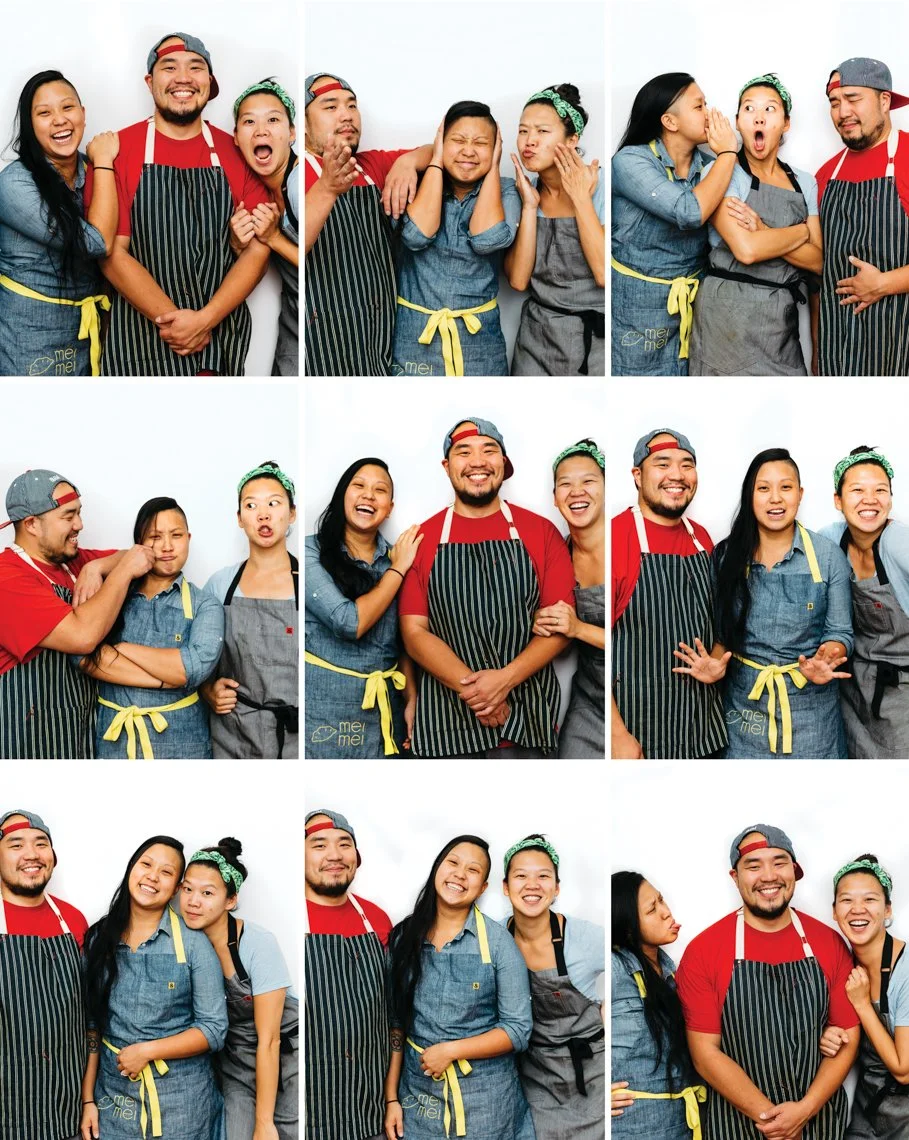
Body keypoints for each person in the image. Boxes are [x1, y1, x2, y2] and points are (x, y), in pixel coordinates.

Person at [399, 417, 576, 759]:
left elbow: (560, 628)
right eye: (464, 452)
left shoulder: (540, 532)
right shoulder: (421, 539)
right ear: (447, 466)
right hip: (445, 726)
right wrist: (481, 694)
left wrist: (505, 680)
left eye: (489, 450)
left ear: (504, 464)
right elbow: (414, 633)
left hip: (527, 721)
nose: (478, 462)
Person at [99, 33, 272, 376]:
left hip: (218, 345)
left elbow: (258, 251)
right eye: (169, 67)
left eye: (195, 67)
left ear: (209, 82)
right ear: (150, 82)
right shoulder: (118, 150)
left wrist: (205, 320)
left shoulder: (237, 152)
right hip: (140, 346)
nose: (183, 77)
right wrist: (179, 327)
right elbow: (112, 254)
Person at [676, 825, 859, 1140]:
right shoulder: (704, 951)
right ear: (735, 877)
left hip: (819, 1124)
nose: (769, 876)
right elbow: (705, 1054)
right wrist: (776, 1124)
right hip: (739, 1127)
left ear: (794, 871)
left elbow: (848, 1038)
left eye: (779, 862)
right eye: (753, 866)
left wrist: (804, 1111)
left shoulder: (829, 943)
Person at [678, 447, 853, 758]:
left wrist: (827, 656)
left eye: (785, 487)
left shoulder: (827, 557)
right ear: (750, 495)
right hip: (744, 712)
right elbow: (723, 633)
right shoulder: (726, 556)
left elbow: (840, 633)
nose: (775, 498)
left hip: (812, 714)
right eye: (763, 488)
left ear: (799, 494)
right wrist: (716, 663)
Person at [384, 834, 534, 1140]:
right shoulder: (404, 937)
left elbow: (518, 1029)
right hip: (418, 1098)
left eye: (473, 870)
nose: (460, 874)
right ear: (437, 867)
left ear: (483, 887)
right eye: (452, 862)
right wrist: (391, 1098)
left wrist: (451, 1051)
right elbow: (396, 1023)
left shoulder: (498, 943)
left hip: (487, 1104)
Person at [0, 469, 155, 759]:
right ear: (32, 524)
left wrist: (96, 567)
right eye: (68, 516)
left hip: (78, 737)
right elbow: (82, 637)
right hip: (26, 747)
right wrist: (120, 572)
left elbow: (140, 554)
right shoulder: (6, 578)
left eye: (79, 513)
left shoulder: (72, 562)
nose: (80, 525)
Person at [80, 835, 228, 1140]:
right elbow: (92, 1024)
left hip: (184, 1107)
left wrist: (147, 1051)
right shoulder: (99, 939)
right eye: (146, 864)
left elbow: (214, 1028)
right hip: (114, 1102)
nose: (152, 876)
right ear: (131, 869)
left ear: (175, 889)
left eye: (166, 872)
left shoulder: (193, 944)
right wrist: (88, 1100)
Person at [689, 73, 822, 376]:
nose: (758, 118)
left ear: (786, 123)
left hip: (780, 324)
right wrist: (802, 232)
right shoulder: (723, 171)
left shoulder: (804, 182)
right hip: (725, 322)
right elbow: (746, 249)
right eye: (749, 109)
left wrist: (763, 230)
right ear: (737, 122)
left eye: (770, 109)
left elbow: (818, 261)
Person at [75, 496, 225, 759]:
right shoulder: (113, 592)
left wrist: (119, 649)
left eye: (176, 535)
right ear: (139, 546)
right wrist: (166, 680)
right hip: (114, 745)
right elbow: (81, 653)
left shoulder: (205, 604)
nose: (167, 546)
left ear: (188, 538)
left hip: (183, 746)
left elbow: (193, 668)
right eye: (155, 537)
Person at [304, 73, 432, 376]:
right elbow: (296, 247)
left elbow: (439, 150)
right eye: (330, 107)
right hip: (320, 344)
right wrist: (327, 188)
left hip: (378, 340)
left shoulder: (372, 166)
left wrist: (408, 161)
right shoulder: (295, 173)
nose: (346, 115)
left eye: (351, 105)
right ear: (303, 129)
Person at [611, 429, 726, 759]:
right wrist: (617, 735)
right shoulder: (616, 538)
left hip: (703, 730)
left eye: (687, 465)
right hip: (640, 733)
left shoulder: (701, 538)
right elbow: (595, 651)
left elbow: (720, 618)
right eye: (663, 464)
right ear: (637, 475)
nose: (677, 475)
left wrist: (717, 660)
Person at [612, 73, 737, 375]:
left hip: (694, 307)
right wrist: (730, 151)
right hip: (636, 311)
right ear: (670, 121)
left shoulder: (711, 167)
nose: (710, 113)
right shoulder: (630, 161)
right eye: (699, 106)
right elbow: (689, 211)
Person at [0, 70, 118, 377]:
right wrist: (105, 161)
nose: (59, 120)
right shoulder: (13, 185)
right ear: (30, 125)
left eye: (67, 108)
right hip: (29, 335)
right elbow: (97, 243)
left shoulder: (91, 170)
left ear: (83, 113)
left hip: (87, 330)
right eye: (44, 113)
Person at [181, 838, 298, 1140]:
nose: (193, 901)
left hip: (283, 1055)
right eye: (187, 889)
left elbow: (270, 1040)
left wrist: (264, 1123)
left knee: (281, 1131)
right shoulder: (182, 943)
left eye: (207, 893)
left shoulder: (258, 943)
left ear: (230, 900)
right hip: (234, 1063)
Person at [305, 458, 422, 758]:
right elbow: (348, 622)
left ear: (390, 508)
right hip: (323, 715)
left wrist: (411, 699)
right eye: (359, 485)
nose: (368, 495)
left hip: (385, 716)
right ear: (342, 494)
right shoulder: (310, 553)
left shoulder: (397, 557)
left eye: (379, 490)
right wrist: (399, 570)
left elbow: (402, 643)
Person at [392, 101, 520, 376]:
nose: (468, 151)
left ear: (496, 146)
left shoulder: (507, 190)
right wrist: (435, 160)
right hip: (415, 342)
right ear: (440, 141)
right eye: (458, 140)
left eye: (481, 143)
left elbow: (487, 239)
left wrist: (494, 167)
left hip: (482, 346)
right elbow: (416, 236)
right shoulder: (417, 180)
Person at [504, 834, 605, 1138]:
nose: (532, 884)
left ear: (557, 887)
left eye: (543, 876)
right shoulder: (497, 939)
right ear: (505, 887)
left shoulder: (586, 938)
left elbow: (623, 982)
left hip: (593, 1071)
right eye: (521, 875)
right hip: (535, 1074)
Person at [0, 810, 89, 1140]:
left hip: (66, 1113)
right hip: (8, 1113)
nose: (31, 854)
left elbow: (88, 1015)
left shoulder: (73, 919)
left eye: (41, 843)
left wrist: (88, 1099)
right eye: (15, 844)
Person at [817, 58, 909, 376]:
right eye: (834, 102)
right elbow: (819, 268)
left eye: (853, 98)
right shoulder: (825, 175)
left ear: (885, 101)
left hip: (898, 350)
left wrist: (884, 283)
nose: (843, 112)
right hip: (836, 355)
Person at [304, 809, 393, 1140]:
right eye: (318, 845)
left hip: (370, 1113)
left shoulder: (377, 919)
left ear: (357, 857)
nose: (334, 855)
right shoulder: (289, 920)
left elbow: (393, 1013)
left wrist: (392, 1097)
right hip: (310, 1113)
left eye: (344, 844)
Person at [507, 84, 605, 376]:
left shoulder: (600, 187)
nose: (529, 141)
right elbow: (518, 281)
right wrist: (528, 206)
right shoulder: (522, 192)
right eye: (523, 131)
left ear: (572, 139)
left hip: (592, 342)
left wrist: (580, 199)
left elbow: (603, 273)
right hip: (535, 339)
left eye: (542, 131)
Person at [203, 461, 298, 759]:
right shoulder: (221, 585)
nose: (264, 514)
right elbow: (197, 660)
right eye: (251, 505)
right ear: (240, 518)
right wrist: (209, 691)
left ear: (292, 513)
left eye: (274, 503)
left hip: (298, 739)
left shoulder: (310, 585)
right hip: (234, 737)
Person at [820, 446, 909, 758]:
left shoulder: (898, 542)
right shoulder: (831, 540)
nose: (870, 500)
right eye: (857, 490)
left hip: (901, 695)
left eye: (880, 490)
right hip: (853, 690)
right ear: (838, 500)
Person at [611, 870, 704, 1140]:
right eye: (653, 909)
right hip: (631, 1128)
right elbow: (578, 1027)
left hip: (680, 1124)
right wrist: (594, 1092)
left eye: (661, 900)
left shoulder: (671, 971)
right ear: (628, 926)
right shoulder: (615, 969)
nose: (666, 912)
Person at [829, 855, 909, 1138]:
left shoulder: (906, 970)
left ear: (887, 910)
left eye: (870, 900)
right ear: (834, 912)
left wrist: (862, 1005)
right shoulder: (840, 966)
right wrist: (828, 1036)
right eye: (847, 900)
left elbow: (904, 1069)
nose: (857, 909)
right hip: (867, 1117)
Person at [535, 440, 605, 758]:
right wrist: (541, 623)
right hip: (591, 700)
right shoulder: (558, 553)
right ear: (554, 498)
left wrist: (577, 628)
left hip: (643, 688)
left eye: (588, 481)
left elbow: (649, 639)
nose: (577, 491)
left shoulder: (629, 545)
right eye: (566, 484)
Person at [231, 77, 299, 375]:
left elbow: (335, 270)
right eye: (249, 122)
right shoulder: (258, 191)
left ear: (292, 133)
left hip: (337, 323)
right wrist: (236, 245)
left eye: (273, 119)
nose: (261, 130)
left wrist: (273, 237)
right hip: (298, 322)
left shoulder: (302, 181)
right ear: (235, 137)